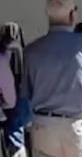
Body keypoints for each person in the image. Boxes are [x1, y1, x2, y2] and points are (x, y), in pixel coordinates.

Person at [22, 0, 82, 157]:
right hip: (79, 126)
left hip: (44, 127)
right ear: (72, 14)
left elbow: (27, 92)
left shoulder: (31, 51)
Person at [1, 22, 25, 157]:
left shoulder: (4, 50)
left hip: (7, 95)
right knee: (16, 127)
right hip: (19, 92)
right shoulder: (21, 48)